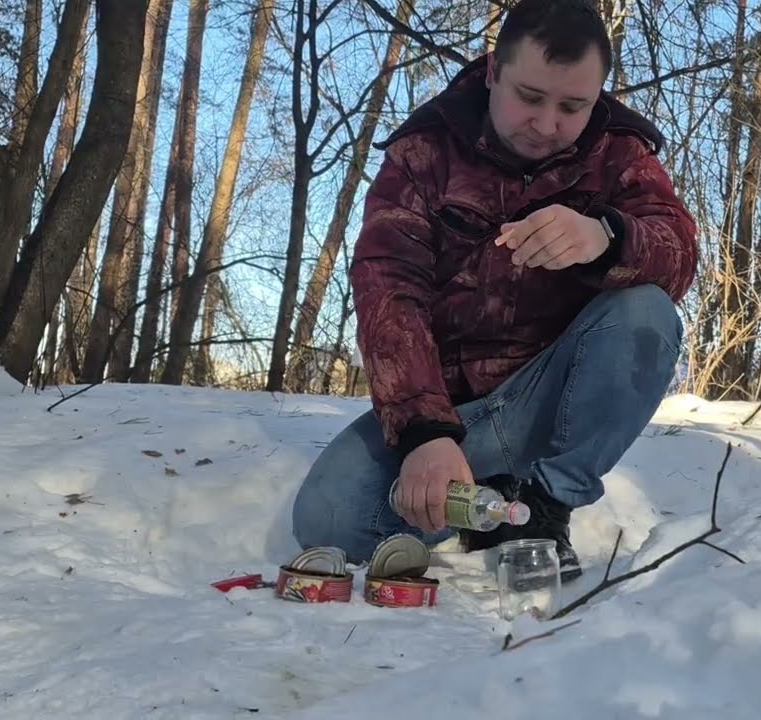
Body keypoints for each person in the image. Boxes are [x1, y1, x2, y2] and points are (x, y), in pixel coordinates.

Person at [291, 0, 698, 581]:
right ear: (492, 73)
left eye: (572, 106)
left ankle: (543, 505)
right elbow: (388, 292)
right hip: (452, 409)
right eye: (529, 97)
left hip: (550, 399)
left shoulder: (621, 152)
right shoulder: (424, 153)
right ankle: (483, 499)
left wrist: (606, 237)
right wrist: (424, 434)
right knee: (330, 518)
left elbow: (679, 253)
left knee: (646, 311)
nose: (548, 123)